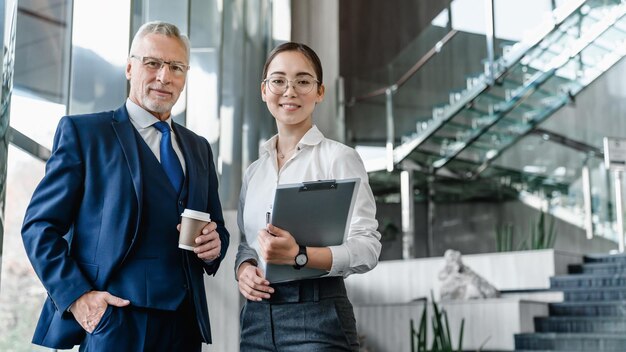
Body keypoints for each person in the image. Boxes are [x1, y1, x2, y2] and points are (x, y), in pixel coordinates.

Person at [21, 21, 229, 351]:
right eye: (153, 63)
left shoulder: (199, 147)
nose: (164, 76)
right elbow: (38, 227)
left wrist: (214, 247)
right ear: (130, 67)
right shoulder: (86, 134)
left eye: (176, 67)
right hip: (115, 323)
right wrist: (78, 297)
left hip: (184, 325)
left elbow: (216, 229)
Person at [235, 42, 382, 351]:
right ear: (264, 90)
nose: (289, 91)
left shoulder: (339, 158)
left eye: (303, 81)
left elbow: (368, 247)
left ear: (320, 92)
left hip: (317, 315)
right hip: (256, 321)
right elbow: (247, 245)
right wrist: (244, 270)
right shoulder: (253, 172)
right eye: (278, 81)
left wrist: (300, 255)